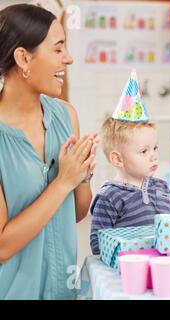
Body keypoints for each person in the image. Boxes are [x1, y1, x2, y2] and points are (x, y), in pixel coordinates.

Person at [0, 4, 97, 299]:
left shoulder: (67, 116)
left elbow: (76, 213)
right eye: (58, 49)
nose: (68, 58)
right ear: (24, 58)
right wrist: (64, 181)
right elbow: (2, 247)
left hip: (62, 289)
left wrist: (82, 175)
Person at [90, 70, 170, 255]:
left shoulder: (162, 188)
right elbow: (97, 244)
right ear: (117, 159)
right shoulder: (110, 197)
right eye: (143, 151)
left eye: (154, 148)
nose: (154, 156)